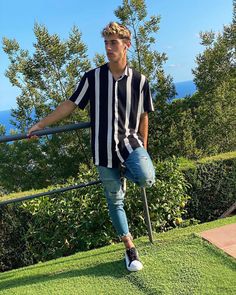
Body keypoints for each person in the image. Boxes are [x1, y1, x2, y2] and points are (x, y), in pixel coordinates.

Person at [28, 22, 155, 272]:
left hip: (131, 145)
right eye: (106, 43)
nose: (108, 48)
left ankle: (124, 173)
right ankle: (129, 248)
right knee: (114, 200)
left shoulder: (140, 81)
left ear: (126, 45)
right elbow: (70, 104)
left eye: (113, 43)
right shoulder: (93, 78)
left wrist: (144, 152)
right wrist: (42, 123)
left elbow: (144, 116)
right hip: (102, 148)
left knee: (146, 177)